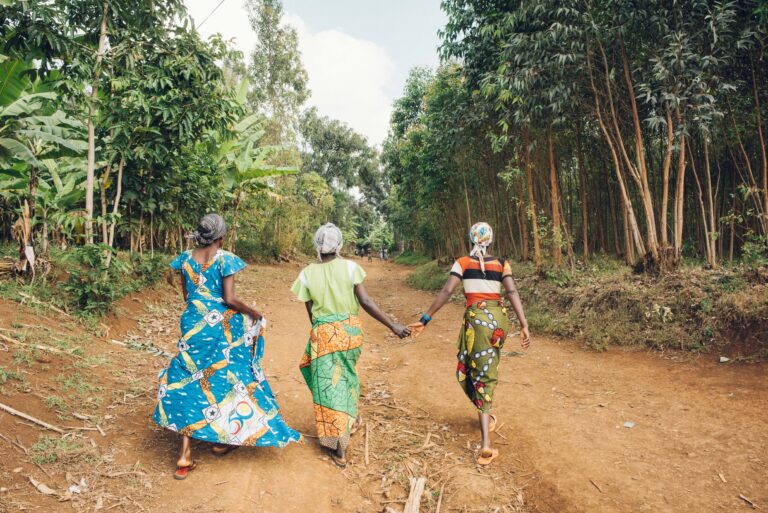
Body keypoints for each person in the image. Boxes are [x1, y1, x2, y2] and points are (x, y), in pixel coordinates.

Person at [154, 214, 301, 480]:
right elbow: (230, 299)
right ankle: (224, 439)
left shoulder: (185, 259)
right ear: (221, 237)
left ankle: (185, 454)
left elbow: (189, 297)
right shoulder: (224, 259)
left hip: (192, 323)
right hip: (220, 327)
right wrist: (254, 313)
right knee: (226, 375)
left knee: (189, 379)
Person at [409, 222, 530, 466]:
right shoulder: (502, 263)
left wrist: (425, 319)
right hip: (498, 322)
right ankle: (485, 411)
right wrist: (524, 324)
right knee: (486, 370)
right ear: (491, 240)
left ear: (471, 239)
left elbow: (446, 292)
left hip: (477, 321)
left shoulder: (463, 263)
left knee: (479, 374)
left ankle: (486, 444)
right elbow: (512, 292)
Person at [292, 223, 411, 468]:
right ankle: (347, 421)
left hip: (323, 335)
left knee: (329, 386)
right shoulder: (350, 268)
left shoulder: (306, 274)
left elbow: (312, 314)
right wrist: (393, 325)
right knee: (345, 379)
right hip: (350, 335)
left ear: (317, 245)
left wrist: (323, 331)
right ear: (339, 245)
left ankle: (339, 446)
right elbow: (365, 301)